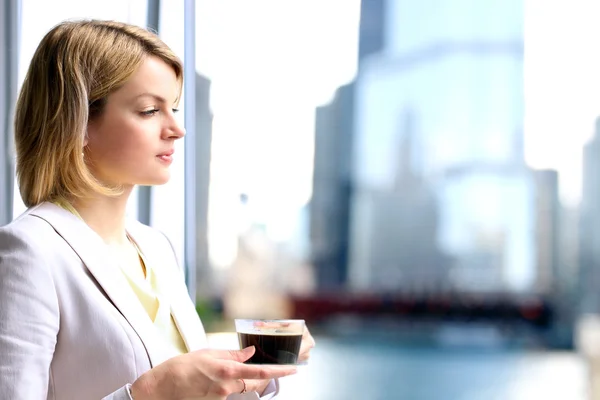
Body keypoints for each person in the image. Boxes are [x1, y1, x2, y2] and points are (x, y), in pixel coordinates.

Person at [0, 19, 314, 400]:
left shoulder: (155, 247)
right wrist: (146, 393)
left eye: (174, 109)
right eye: (150, 110)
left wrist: (258, 369)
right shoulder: (30, 251)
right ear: (78, 122)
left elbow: (189, 390)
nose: (176, 129)